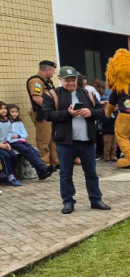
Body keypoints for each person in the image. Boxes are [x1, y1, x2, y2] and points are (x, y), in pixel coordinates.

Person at [42, 66, 110, 214]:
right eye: (67, 80)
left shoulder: (88, 93)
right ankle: (68, 202)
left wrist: (90, 112)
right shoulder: (51, 95)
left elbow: (101, 112)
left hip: (87, 141)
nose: (71, 83)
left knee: (91, 173)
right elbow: (47, 115)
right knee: (66, 174)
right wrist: (68, 113)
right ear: (60, 80)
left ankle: (96, 199)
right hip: (65, 142)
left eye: (73, 80)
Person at [0, 103, 53, 181]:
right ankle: (43, 168)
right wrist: (13, 137)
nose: (14, 114)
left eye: (16, 112)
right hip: (13, 143)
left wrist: (18, 136)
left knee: (34, 151)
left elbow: (25, 134)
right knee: (28, 152)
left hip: (22, 141)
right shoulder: (8, 122)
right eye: (12, 112)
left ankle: (41, 172)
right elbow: (8, 135)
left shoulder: (19, 122)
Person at [26, 60, 60, 170]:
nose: (54, 73)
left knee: (52, 138)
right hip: (42, 113)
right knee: (43, 139)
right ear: (47, 69)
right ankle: (44, 164)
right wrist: (50, 107)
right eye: (53, 71)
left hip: (49, 113)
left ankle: (54, 161)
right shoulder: (36, 81)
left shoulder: (47, 81)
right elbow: (36, 97)